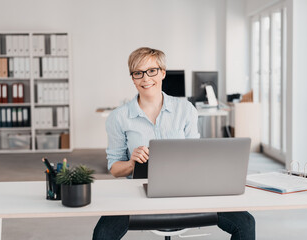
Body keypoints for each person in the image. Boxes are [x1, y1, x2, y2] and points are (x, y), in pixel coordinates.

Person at [93, 47, 255, 240]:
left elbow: (196, 156)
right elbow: (114, 168)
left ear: (162, 72)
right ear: (133, 78)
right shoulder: (118, 117)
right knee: (102, 234)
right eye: (138, 73)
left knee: (245, 223)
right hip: (138, 193)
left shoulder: (185, 109)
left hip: (185, 190)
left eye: (151, 71)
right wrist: (131, 163)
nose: (145, 79)